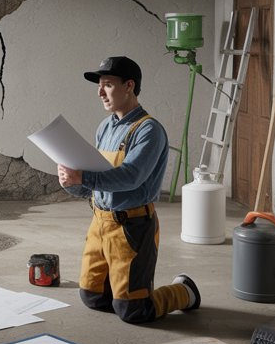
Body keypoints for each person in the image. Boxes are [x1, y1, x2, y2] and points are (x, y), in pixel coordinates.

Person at [57, 56, 199, 323]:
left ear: (129, 86)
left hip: (132, 228)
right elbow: (95, 182)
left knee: (134, 312)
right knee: (92, 296)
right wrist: (71, 183)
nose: (100, 92)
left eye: (108, 85)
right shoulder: (105, 127)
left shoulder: (148, 130)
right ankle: (126, 292)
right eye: (99, 85)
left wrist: (84, 177)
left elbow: (131, 177)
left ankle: (184, 291)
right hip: (99, 222)